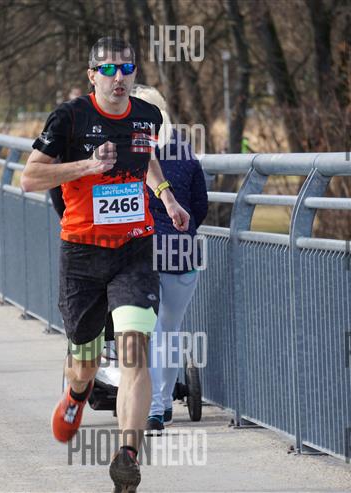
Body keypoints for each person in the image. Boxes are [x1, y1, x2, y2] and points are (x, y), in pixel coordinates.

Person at [21, 37, 190, 492]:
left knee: (135, 350)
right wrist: (87, 167)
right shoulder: (69, 118)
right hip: (82, 254)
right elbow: (30, 177)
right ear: (92, 75)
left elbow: (146, 158)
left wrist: (166, 197)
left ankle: (127, 455)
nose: (119, 77)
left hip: (134, 251)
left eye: (127, 68)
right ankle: (77, 393)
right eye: (109, 70)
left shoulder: (147, 116)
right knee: (85, 361)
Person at [129, 85, 208, 435]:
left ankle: (153, 408)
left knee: (147, 331)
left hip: (142, 250)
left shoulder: (131, 151)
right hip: (182, 252)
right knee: (169, 331)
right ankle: (163, 405)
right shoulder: (185, 152)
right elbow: (200, 205)